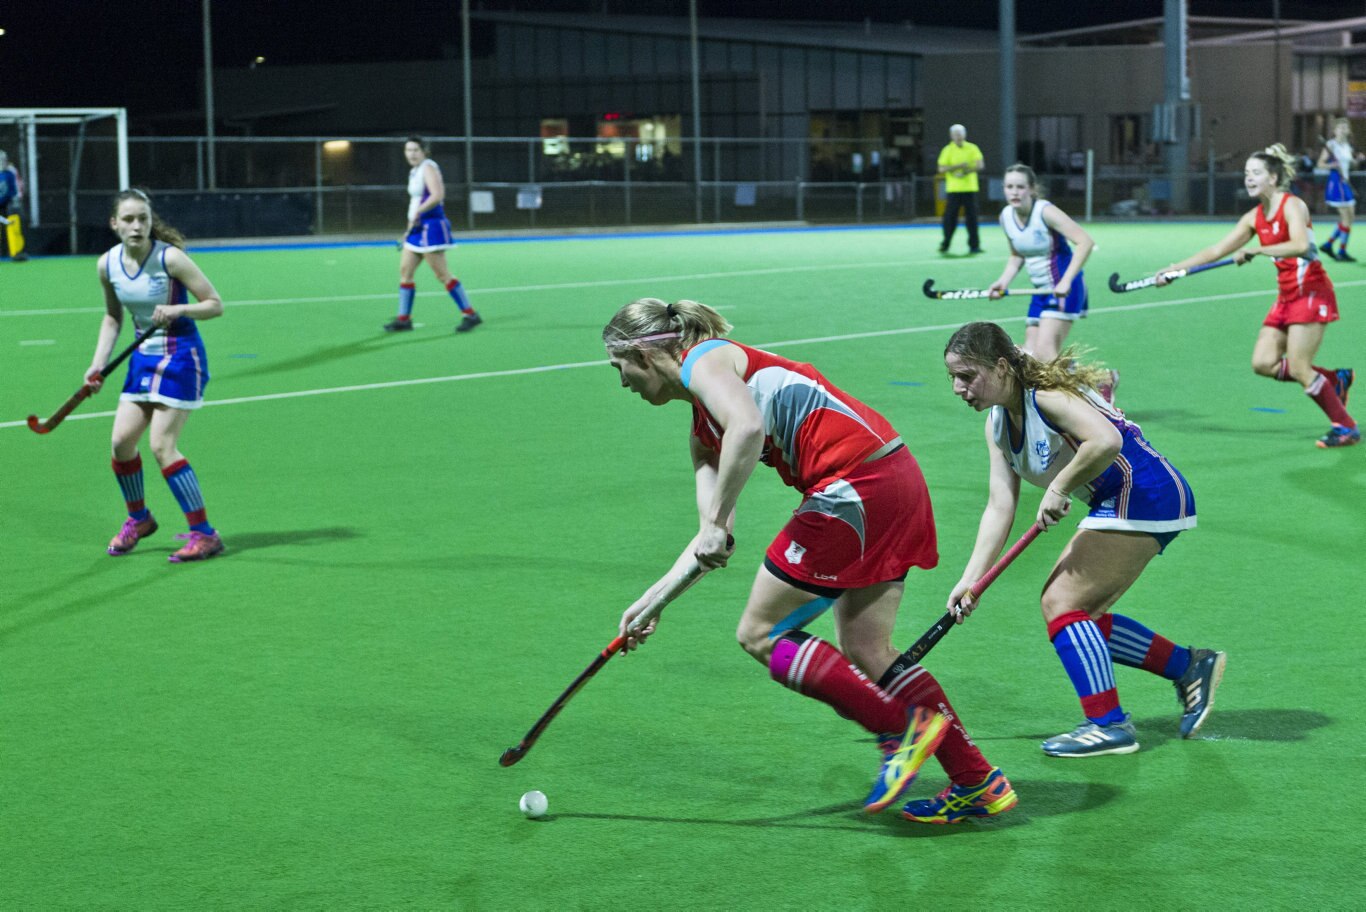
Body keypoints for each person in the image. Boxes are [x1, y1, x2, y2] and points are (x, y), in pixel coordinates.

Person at [604, 298, 1017, 825]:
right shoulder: (703, 431)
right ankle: (977, 781)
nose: (622, 383)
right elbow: (712, 538)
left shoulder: (704, 360)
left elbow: (749, 431)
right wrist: (652, 602)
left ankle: (897, 728)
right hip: (892, 479)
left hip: (854, 488)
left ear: (642, 353)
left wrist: (717, 522)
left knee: (760, 633)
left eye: (618, 368)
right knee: (868, 648)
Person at [943, 321, 1224, 758]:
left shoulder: (1046, 399)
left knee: (1063, 604)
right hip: (1118, 498)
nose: (959, 388)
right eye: (953, 378)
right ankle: (1189, 666)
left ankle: (1109, 724)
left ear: (1000, 367)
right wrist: (971, 580)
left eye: (967, 376)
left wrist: (1059, 487)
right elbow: (1000, 506)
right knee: (1078, 616)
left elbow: (1106, 440)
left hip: (1145, 491)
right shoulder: (998, 425)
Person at [1156, 143, 1358, 448]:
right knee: (1264, 363)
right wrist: (1175, 270)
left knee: (1300, 366)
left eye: (1256, 173)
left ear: (1273, 178)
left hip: (1311, 291)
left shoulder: (1292, 205)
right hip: (1287, 295)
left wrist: (1258, 249)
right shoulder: (1254, 217)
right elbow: (1216, 250)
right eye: (1247, 173)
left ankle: (1345, 426)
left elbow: (1301, 245)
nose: (1248, 179)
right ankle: (1334, 380)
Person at [86, 189, 226, 562]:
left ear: (150, 221)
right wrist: (98, 364)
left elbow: (215, 305)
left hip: (181, 357)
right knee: (121, 443)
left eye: (143, 219)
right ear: (114, 223)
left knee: (161, 445)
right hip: (142, 359)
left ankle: (205, 534)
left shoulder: (170, 259)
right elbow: (113, 317)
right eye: (129, 219)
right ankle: (140, 519)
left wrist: (179, 309)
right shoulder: (108, 264)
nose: (137, 226)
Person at [988, 163, 1097, 363]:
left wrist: (1065, 281)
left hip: (1065, 288)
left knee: (1046, 354)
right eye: (1009, 187)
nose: (1014, 192)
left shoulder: (1045, 212)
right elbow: (1017, 255)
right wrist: (1003, 281)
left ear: (1031, 189)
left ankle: (1093, 391)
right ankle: (1101, 380)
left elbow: (1085, 242)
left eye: (1020, 187)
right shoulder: (1006, 216)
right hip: (1040, 292)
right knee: (1030, 357)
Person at [382, 136, 482, 334]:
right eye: (408, 150)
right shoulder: (414, 171)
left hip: (432, 227)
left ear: (424, 151)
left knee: (442, 274)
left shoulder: (429, 167)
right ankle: (404, 319)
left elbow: (437, 195)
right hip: (417, 229)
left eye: (415, 150)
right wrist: (409, 226)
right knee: (405, 272)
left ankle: (470, 314)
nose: (411, 154)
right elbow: (416, 201)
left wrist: (419, 212)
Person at [1316, 118, 1363, 261]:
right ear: (1335, 130)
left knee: (1351, 217)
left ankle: (1329, 244)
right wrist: (1332, 165)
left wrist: (1357, 161)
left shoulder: (1347, 146)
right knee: (1346, 218)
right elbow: (1320, 164)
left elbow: (1350, 166)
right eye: (1340, 127)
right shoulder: (1331, 145)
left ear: (1348, 131)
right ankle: (1341, 251)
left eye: (1345, 127)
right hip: (1336, 183)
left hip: (1345, 182)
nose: (1343, 129)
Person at [936, 124, 985, 255]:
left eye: (960, 133)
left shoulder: (973, 148)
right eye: (956, 134)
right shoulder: (947, 150)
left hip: (970, 189)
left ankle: (975, 246)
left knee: (972, 219)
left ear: (965, 134)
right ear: (951, 136)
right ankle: (945, 243)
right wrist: (957, 166)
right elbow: (941, 168)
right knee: (949, 218)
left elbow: (980, 165)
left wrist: (966, 171)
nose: (958, 136)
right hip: (953, 190)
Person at [0, 149, 28, 262]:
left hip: (7, 203)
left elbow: (14, 190)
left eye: (4, 159)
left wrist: (14, 201)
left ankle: (16, 252)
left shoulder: (10, 173)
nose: (3, 161)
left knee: (13, 223)